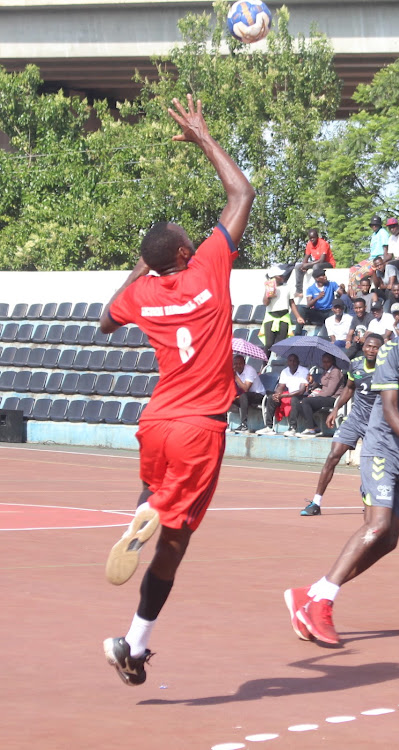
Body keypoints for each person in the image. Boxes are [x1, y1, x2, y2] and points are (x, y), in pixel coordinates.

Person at [101, 95, 255, 686]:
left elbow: (104, 322)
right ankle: (134, 639)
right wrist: (203, 136)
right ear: (189, 252)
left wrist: (140, 271)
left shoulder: (141, 296)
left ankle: (146, 505)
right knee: (176, 541)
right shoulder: (211, 266)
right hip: (199, 427)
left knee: (158, 495)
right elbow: (240, 194)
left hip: (157, 420)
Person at [284, 286, 399, 644]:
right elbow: (389, 408)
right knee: (377, 525)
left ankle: (312, 593)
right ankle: (322, 605)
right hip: (384, 448)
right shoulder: (392, 351)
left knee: (389, 541)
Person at [300, 334, 385, 515]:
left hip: (375, 423)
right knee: (333, 456)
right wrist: (335, 408)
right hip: (355, 419)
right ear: (363, 347)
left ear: (381, 350)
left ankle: (369, 498)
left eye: (376, 347)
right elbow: (349, 388)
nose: (371, 350)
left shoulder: (386, 369)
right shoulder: (355, 365)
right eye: (369, 346)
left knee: (369, 465)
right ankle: (316, 502)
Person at [256, 353, 309, 435]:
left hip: (301, 396)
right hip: (288, 394)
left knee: (294, 400)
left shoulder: (304, 371)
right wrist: (277, 395)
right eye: (290, 361)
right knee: (271, 398)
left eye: (295, 361)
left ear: (298, 362)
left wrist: (283, 395)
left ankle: (292, 428)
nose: (292, 363)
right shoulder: (285, 371)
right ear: (287, 362)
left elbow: (301, 391)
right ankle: (269, 427)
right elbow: (281, 386)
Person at [294, 353, 345, 438]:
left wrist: (315, 396)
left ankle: (310, 429)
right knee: (299, 404)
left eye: (327, 362)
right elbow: (323, 386)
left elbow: (329, 392)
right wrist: (313, 383)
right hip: (324, 397)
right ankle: (315, 428)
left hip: (333, 399)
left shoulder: (335, 372)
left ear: (332, 361)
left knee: (306, 401)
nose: (325, 364)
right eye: (323, 362)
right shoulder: (326, 371)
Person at [261, 264, 304, 357]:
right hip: (271, 317)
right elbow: (265, 303)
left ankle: (278, 363)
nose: (282, 277)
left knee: (281, 343)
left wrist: (298, 317)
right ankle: (264, 365)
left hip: (284, 316)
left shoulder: (287, 287)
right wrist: (269, 294)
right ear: (274, 277)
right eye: (280, 276)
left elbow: (291, 302)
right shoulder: (269, 287)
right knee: (268, 344)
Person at [294, 228, 336, 298]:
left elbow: (321, 260)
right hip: (317, 262)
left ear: (317, 237)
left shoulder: (323, 243)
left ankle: (318, 288)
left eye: (313, 238)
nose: (312, 240)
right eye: (310, 238)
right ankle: (299, 291)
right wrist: (304, 266)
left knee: (316, 267)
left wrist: (307, 265)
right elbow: (306, 258)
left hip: (328, 263)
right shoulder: (309, 244)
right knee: (298, 267)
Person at [296, 268, 340, 332]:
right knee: (302, 309)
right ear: (317, 279)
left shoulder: (332, 284)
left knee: (335, 311)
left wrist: (343, 289)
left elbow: (343, 293)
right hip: (318, 312)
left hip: (329, 311)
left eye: (325, 275)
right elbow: (308, 305)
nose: (325, 277)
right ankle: (297, 335)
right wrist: (317, 298)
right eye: (323, 275)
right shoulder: (311, 289)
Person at [231, 354, 265, 433]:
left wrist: (235, 376)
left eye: (240, 363)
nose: (238, 366)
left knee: (243, 396)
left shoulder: (250, 370)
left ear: (244, 363)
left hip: (259, 395)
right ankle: (225, 422)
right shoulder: (234, 371)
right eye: (235, 364)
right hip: (246, 396)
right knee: (227, 396)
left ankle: (244, 425)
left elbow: (246, 388)